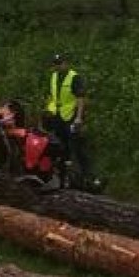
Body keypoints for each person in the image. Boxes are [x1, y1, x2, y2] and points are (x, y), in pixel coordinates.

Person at [42, 50, 94, 188]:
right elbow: (51, 95)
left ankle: (87, 177)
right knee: (60, 146)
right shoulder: (53, 76)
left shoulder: (74, 77)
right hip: (58, 116)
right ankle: (63, 176)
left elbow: (80, 98)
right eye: (55, 64)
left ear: (66, 63)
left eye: (60, 63)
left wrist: (78, 118)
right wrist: (48, 109)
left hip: (71, 116)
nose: (58, 66)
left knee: (77, 146)